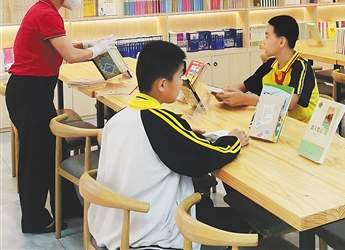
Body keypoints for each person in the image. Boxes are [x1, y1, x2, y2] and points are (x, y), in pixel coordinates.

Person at [89, 41, 250, 249]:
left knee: (207, 206)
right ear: (163, 84)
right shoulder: (160, 122)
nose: (182, 82)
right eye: (180, 76)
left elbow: (167, 143)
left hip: (114, 223)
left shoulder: (119, 118)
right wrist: (233, 140)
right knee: (240, 221)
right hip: (150, 229)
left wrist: (183, 135)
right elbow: (205, 157)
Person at [5, 0, 115, 233]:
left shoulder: (44, 9)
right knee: (36, 156)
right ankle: (34, 219)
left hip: (31, 90)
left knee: (45, 150)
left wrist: (86, 44)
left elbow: (60, 46)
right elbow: (71, 56)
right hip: (30, 92)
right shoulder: (47, 14)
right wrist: (97, 49)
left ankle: (65, 207)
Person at [216, 15, 318, 123]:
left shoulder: (301, 68)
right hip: (276, 122)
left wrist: (246, 99)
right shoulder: (270, 64)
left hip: (301, 126)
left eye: (267, 37)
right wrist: (226, 93)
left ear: (282, 41)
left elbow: (290, 103)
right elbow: (244, 86)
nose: (263, 41)